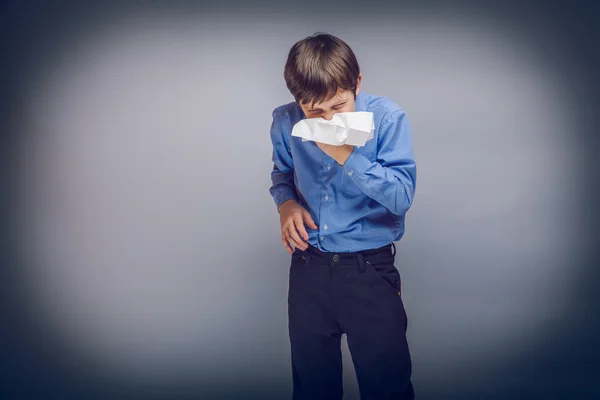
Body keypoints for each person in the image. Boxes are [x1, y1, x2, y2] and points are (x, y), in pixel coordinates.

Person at [268, 32, 417, 400]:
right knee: (312, 385)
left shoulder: (387, 119)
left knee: (387, 386)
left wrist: (347, 155)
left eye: (338, 105)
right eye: (314, 112)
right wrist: (285, 203)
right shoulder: (285, 122)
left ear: (357, 85)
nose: (328, 118)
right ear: (297, 102)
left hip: (369, 272)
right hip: (308, 270)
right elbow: (281, 175)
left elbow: (401, 196)